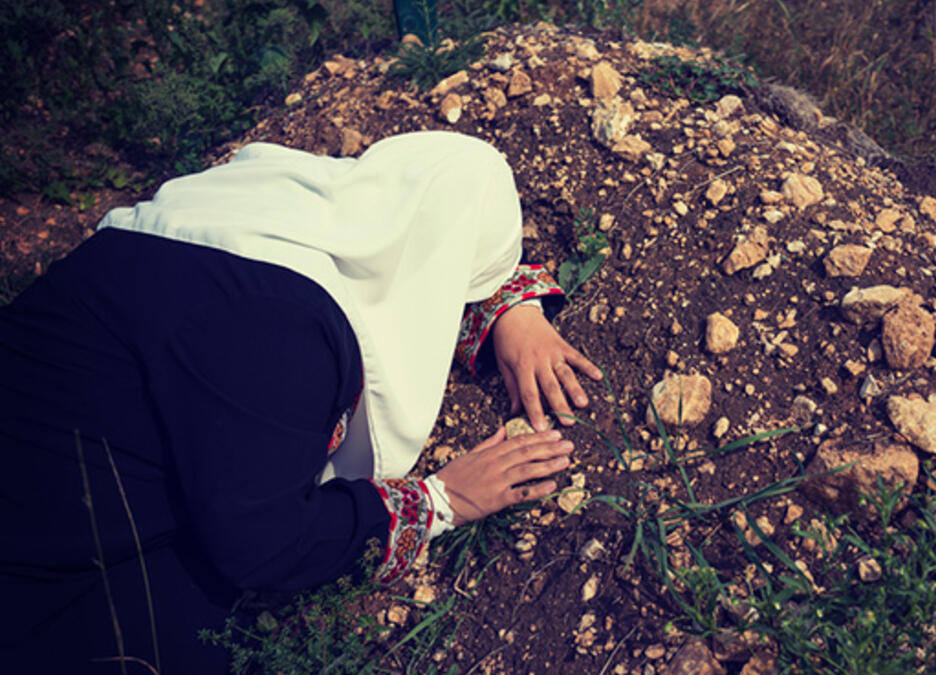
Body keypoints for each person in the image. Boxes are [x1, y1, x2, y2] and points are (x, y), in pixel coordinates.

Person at [0, 131, 602, 672]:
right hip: (40, 567)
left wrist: (512, 309)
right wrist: (443, 501)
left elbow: (420, 258)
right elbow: (261, 545)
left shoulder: (246, 202)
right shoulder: (286, 333)